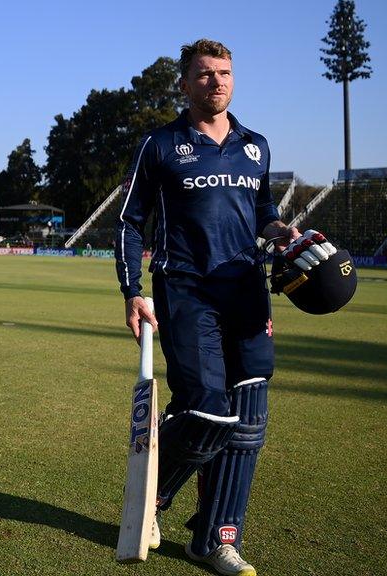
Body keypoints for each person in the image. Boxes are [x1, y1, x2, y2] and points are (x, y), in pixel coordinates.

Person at [115, 39, 301, 576]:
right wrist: (131, 290)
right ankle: (150, 499)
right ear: (184, 84)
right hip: (186, 289)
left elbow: (262, 208)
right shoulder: (160, 144)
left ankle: (216, 539)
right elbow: (130, 221)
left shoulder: (255, 145)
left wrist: (279, 230)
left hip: (247, 291)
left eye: (224, 73)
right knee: (204, 409)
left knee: (248, 421)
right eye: (204, 74)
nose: (216, 82)